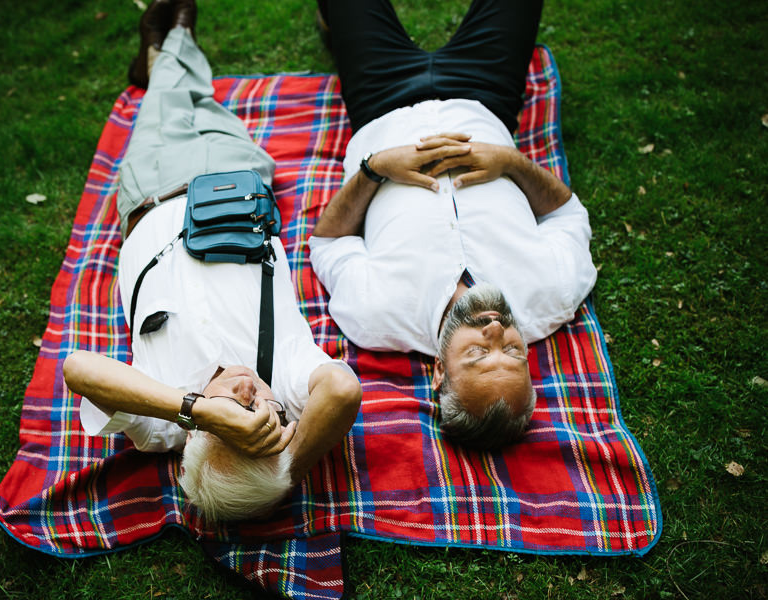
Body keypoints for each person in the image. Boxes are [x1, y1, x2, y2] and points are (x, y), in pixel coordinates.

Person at [63, 0, 361, 523]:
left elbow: (78, 369)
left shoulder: (163, 424)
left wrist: (196, 408)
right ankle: (167, 55)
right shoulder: (289, 380)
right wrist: (291, 463)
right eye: (260, 416)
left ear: (197, 434)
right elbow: (341, 388)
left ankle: (171, 34)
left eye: (231, 417)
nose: (247, 392)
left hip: (156, 190)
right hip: (238, 186)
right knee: (206, 105)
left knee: (167, 99)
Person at [308, 0, 597, 450]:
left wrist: (376, 167)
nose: (497, 332)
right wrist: (509, 162)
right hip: (483, 98)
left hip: (380, 104)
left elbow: (327, 243)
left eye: (479, 353)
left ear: (441, 369)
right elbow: (566, 215)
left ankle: (336, 21)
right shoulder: (556, 292)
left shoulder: (374, 315)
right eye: (515, 352)